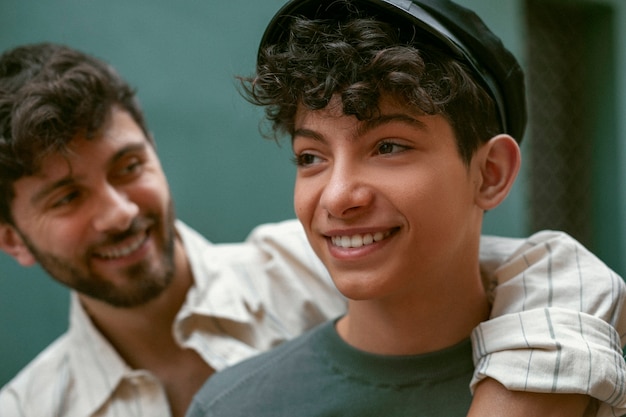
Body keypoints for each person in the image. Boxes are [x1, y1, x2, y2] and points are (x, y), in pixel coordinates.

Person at [0, 40, 621, 417]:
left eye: (129, 166)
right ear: (11, 238)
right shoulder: (30, 408)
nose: (119, 211)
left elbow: (547, 269)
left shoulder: (305, 263)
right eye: (66, 196)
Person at [185, 1, 626, 416]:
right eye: (311, 157)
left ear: (490, 173)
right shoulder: (232, 406)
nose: (338, 197)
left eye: (388, 146)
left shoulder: (600, 385)